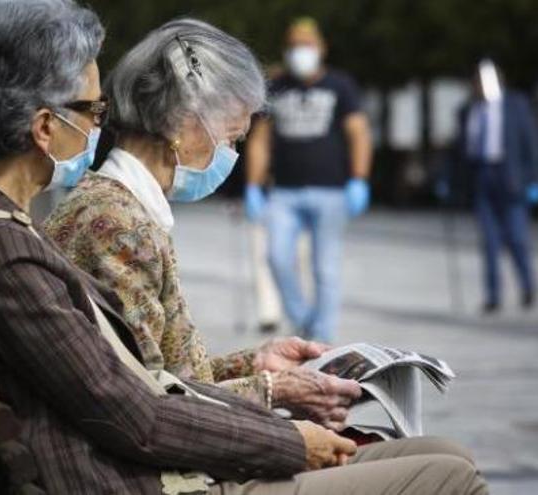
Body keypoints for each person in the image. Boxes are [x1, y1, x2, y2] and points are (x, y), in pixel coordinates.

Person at [0, 2, 488, 493]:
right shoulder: (7, 252)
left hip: (134, 469)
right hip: (144, 482)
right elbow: (139, 417)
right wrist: (289, 436)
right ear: (45, 128)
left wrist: (260, 375)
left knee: (446, 460)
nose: (101, 127)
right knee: (452, 477)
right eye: (93, 112)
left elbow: (141, 379)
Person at [44, 19, 362, 428]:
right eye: (230, 139)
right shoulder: (118, 224)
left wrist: (256, 362)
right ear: (183, 124)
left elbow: (165, 373)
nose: (231, 155)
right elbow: (149, 401)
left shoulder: (122, 207)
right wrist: (274, 396)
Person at [244, 18, 373, 343]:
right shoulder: (277, 87)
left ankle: (323, 337)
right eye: (295, 46)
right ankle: (304, 320)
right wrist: (253, 185)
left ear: (321, 48)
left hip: (331, 191)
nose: (302, 52)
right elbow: (260, 140)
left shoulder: (340, 86)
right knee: (276, 257)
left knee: (325, 267)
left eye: (308, 45)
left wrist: (359, 178)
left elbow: (358, 133)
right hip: (284, 193)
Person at [439, 59, 538, 314]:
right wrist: (447, 178)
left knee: (517, 238)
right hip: (481, 176)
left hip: (510, 177)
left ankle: (527, 286)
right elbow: (457, 150)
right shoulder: (468, 110)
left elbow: (532, 143)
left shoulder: (516, 104)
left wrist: (537, 179)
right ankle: (493, 296)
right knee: (489, 242)